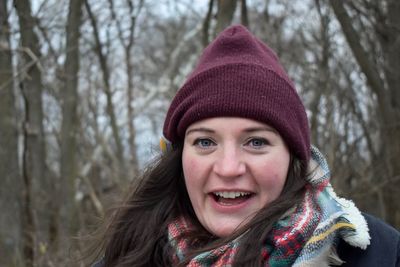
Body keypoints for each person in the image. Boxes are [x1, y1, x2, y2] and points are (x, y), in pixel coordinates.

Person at [93, 25, 399, 267]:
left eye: (256, 142)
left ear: (293, 156)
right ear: (179, 156)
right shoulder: (126, 257)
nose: (228, 168)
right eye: (204, 141)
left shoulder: (379, 254)